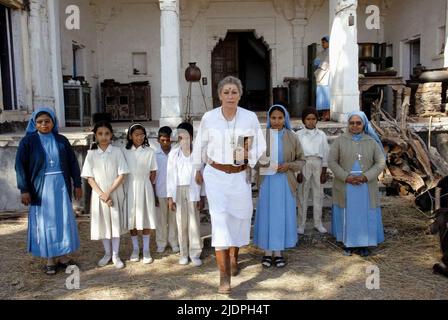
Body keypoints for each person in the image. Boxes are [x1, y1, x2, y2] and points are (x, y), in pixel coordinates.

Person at [193, 76, 266, 294]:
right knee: (220, 221)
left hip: (240, 176)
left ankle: (234, 255)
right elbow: (200, 144)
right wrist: (198, 168)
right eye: (226, 92)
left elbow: (260, 144)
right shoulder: (209, 117)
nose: (230, 96)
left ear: (240, 94)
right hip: (216, 175)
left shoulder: (249, 117)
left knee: (239, 218)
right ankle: (224, 277)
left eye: (234, 92)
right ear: (219, 95)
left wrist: (248, 156)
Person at [15, 107, 82, 275]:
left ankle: (64, 256)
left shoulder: (61, 140)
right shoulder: (28, 142)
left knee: (63, 219)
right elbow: (20, 167)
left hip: (60, 186)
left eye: (47, 121)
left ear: (53, 122)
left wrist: (78, 184)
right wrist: (24, 189)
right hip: (41, 188)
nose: (44, 124)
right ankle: (50, 258)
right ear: (34, 123)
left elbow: (73, 163)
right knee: (46, 222)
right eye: (39, 122)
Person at [328, 111, 386, 257]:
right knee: (348, 214)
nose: (355, 126)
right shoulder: (340, 140)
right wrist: (345, 177)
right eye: (352, 123)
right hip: (346, 184)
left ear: (364, 124)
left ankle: (364, 244)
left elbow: (380, 162)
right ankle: (348, 243)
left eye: (358, 123)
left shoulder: (371, 142)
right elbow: (331, 161)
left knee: (364, 214)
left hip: (365, 185)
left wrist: (366, 177)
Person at [253, 105, 304, 268]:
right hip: (267, 182)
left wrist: (288, 165)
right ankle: (267, 252)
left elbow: (301, 160)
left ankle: (278, 252)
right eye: (273, 118)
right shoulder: (262, 137)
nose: (276, 121)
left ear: (285, 119)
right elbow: (253, 161)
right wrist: (266, 164)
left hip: (284, 182)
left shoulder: (292, 137)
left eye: (280, 118)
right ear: (269, 119)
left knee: (281, 215)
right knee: (267, 215)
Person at [81, 121, 129, 269]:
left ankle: (115, 254)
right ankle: (107, 253)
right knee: (103, 224)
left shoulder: (117, 152)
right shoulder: (91, 154)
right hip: (98, 196)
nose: (103, 137)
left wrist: (108, 192)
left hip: (114, 193)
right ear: (95, 135)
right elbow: (89, 177)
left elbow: (122, 175)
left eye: (107, 133)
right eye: (100, 134)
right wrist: (102, 194)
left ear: (111, 135)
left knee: (114, 223)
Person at [167, 122, 204, 267]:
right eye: (181, 136)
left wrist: (202, 196)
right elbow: (170, 177)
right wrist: (170, 197)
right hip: (178, 190)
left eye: (186, 136)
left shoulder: (198, 153)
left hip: (194, 190)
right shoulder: (173, 154)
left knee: (194, 223)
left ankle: (195, 253)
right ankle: (183, 254)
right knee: (181, 222)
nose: (184, 139)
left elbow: (202, 176)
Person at [123, 123, 157, 264]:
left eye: (142, 135)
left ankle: (147, 249)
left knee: (146, 217)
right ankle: (136, 249)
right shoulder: (124, 151)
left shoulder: (149, 151)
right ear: (130, 136)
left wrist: (147, 186)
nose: (140, 137)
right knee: (132, 219)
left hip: (145, 186)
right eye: (136, 135)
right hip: (130, 186)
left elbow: (153, 172)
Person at [296, 108, 330, 234]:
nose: (311, 121)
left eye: (313, 119)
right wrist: (298, 172)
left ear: (317, 120)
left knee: (318, 194)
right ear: (304, 120)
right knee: (302, 195)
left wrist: (324, 171)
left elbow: (326, 152)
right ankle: (301, 224)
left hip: (318, 163)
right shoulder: (298, 134)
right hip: (304, 163)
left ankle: (318, 223)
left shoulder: (321, 134)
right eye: (308, 119)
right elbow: (297, 153)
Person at [154, 126, 180, 254]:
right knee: (161, 220)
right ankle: (161, 242)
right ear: (158, 140)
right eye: (162, 140)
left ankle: (174, 242)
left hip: (174, 193)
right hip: (160, 191)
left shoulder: (175, 153)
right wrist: (154, 194)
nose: (165, 143)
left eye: (167, 140)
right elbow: (152, 176)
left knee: (173, 219)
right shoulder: (154, 154)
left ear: (171, 140)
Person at [314, 36, 331, 121]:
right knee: (321, 96)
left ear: (328, 42)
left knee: (326, 96)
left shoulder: (331, 52)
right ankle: (324, 115)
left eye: (324, 42)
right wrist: (317, 63)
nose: (322, 44)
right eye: (322, 43)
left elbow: (326, 63)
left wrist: (320, 64)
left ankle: (327, 115)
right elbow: (316, 61)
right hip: (320, 75)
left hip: (326, 76)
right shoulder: (322, 52)